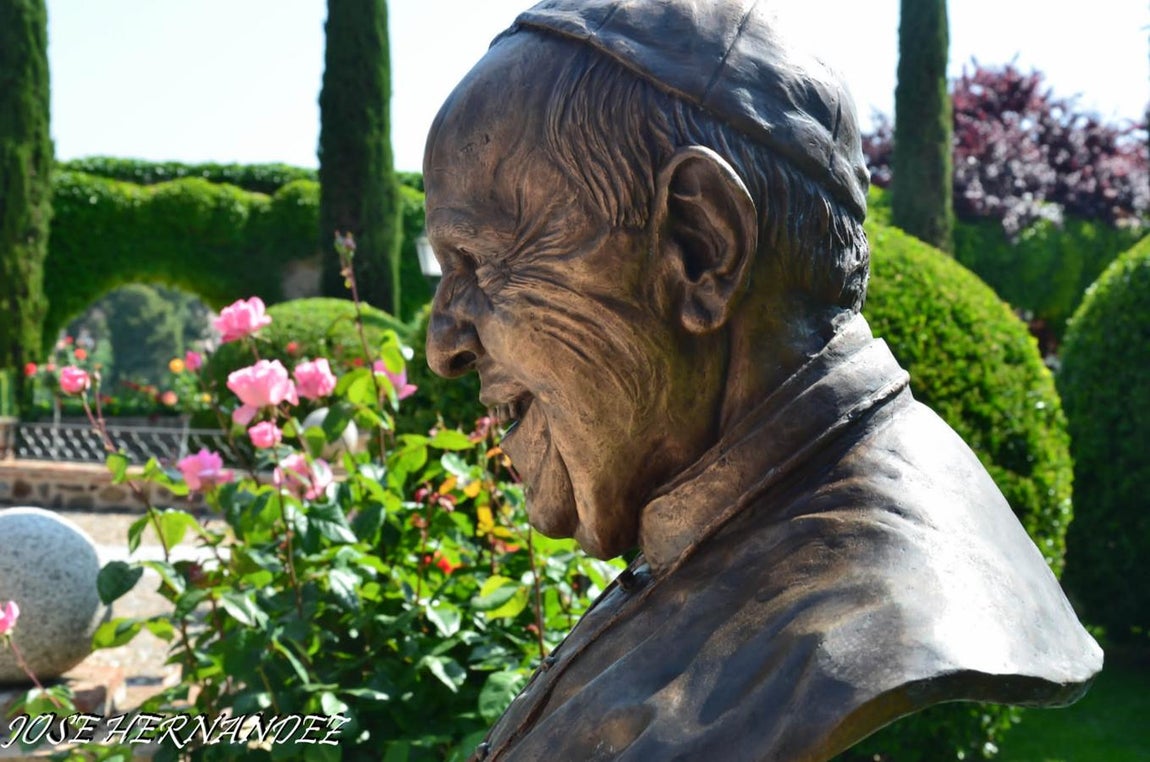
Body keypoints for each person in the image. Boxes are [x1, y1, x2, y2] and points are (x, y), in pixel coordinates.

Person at [423, 1, 1103, 759]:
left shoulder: (870, 611)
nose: (442, 345)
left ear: (701, 245)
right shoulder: (720, 528)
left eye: (478, 262)